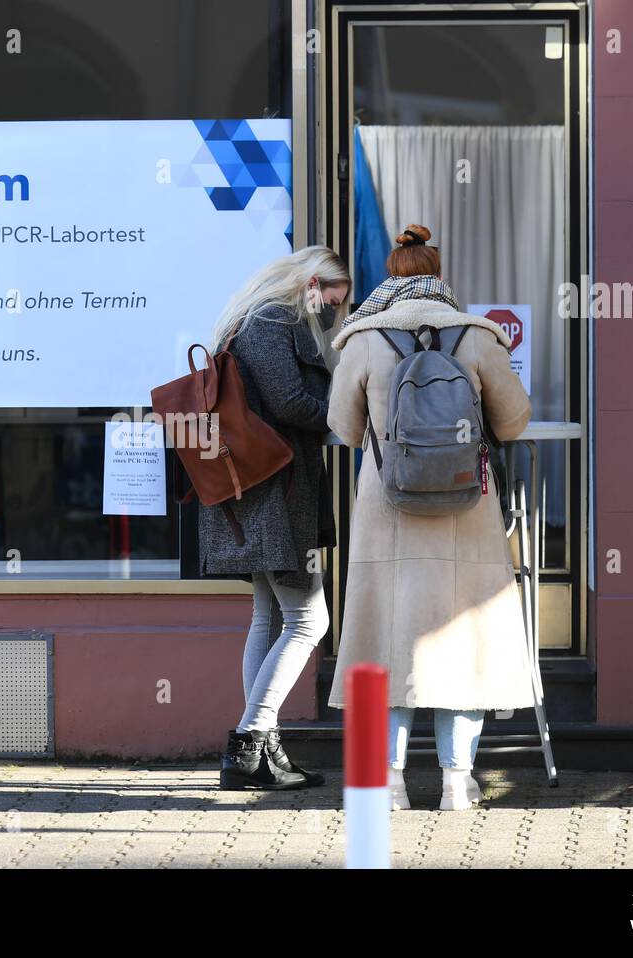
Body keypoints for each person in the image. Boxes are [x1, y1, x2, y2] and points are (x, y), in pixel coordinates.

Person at [326, 224, 536, 810]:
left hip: (386, 509)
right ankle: (455, 782)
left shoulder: (362, 337)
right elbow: (515, 421)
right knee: (462, 642)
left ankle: (388, 783)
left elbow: (342, 430)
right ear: (438, 276)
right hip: (467, 506)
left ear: (391, 275)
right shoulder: (475, 335)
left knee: (383, 641)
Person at [200, 245, 351, 790]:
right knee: (311, 622)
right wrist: (347, 417)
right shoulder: (271, 320)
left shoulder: (251, 319)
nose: (332, 313)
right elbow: (288, 401)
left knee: (268, 619)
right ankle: (247, 744)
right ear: (312, 283)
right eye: (332, 301)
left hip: (261, 494)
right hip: (274, 497)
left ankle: (265, 752)